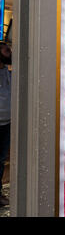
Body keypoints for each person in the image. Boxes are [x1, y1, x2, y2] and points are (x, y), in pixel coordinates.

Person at [0, 42, 11, 207]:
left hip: (7, 123)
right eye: (7, 50)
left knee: (1, 159)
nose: (10, 52)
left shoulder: (8, 72)